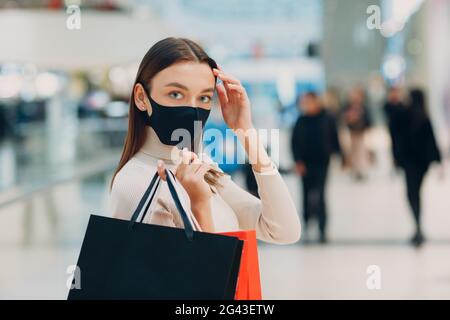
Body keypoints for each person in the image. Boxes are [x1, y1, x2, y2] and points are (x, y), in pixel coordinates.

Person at [108, 37, 301, 244]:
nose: (192, 108)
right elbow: (204, 275)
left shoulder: (199, 168)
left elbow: (283, 231)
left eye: (204, 97)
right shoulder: (136, 184)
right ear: (141, 97)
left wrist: (245, 130)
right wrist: (200, 205)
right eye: (176, 94)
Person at [291, 92, 341, 243]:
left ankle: (322, 228)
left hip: (322, 162)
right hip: (305, 163)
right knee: (306, 194)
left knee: (320, 194)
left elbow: (334, 137)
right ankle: (306, 223)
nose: (307, 105)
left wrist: (339, 155)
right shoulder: (301, 120)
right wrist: (298, 161)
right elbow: (295, 142)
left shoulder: (327, 118)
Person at [397, 88, 442, 247]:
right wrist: (437, 162)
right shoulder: (421, 116)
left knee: (412, 193)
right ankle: (417, 226)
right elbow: (432, 141)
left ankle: (417, 225)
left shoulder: (407, 115)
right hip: (420, 164)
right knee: (415, 193)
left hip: (412, 163)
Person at [342, 86, 372, 180]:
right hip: (351, 132)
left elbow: (368, 120)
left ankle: (361, 171)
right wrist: (350, 118)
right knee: (352, 152)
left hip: (361, 133)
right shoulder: (347, 106)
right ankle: (354, 170)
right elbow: (343, 118)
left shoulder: (364, 107)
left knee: (361, 153)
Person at [383, 86, 407, 169]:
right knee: (394, 146)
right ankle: (396, 161)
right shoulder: (388, 105)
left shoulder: (401, 104)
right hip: (393, 129)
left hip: (402, 129)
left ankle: (400, 160)